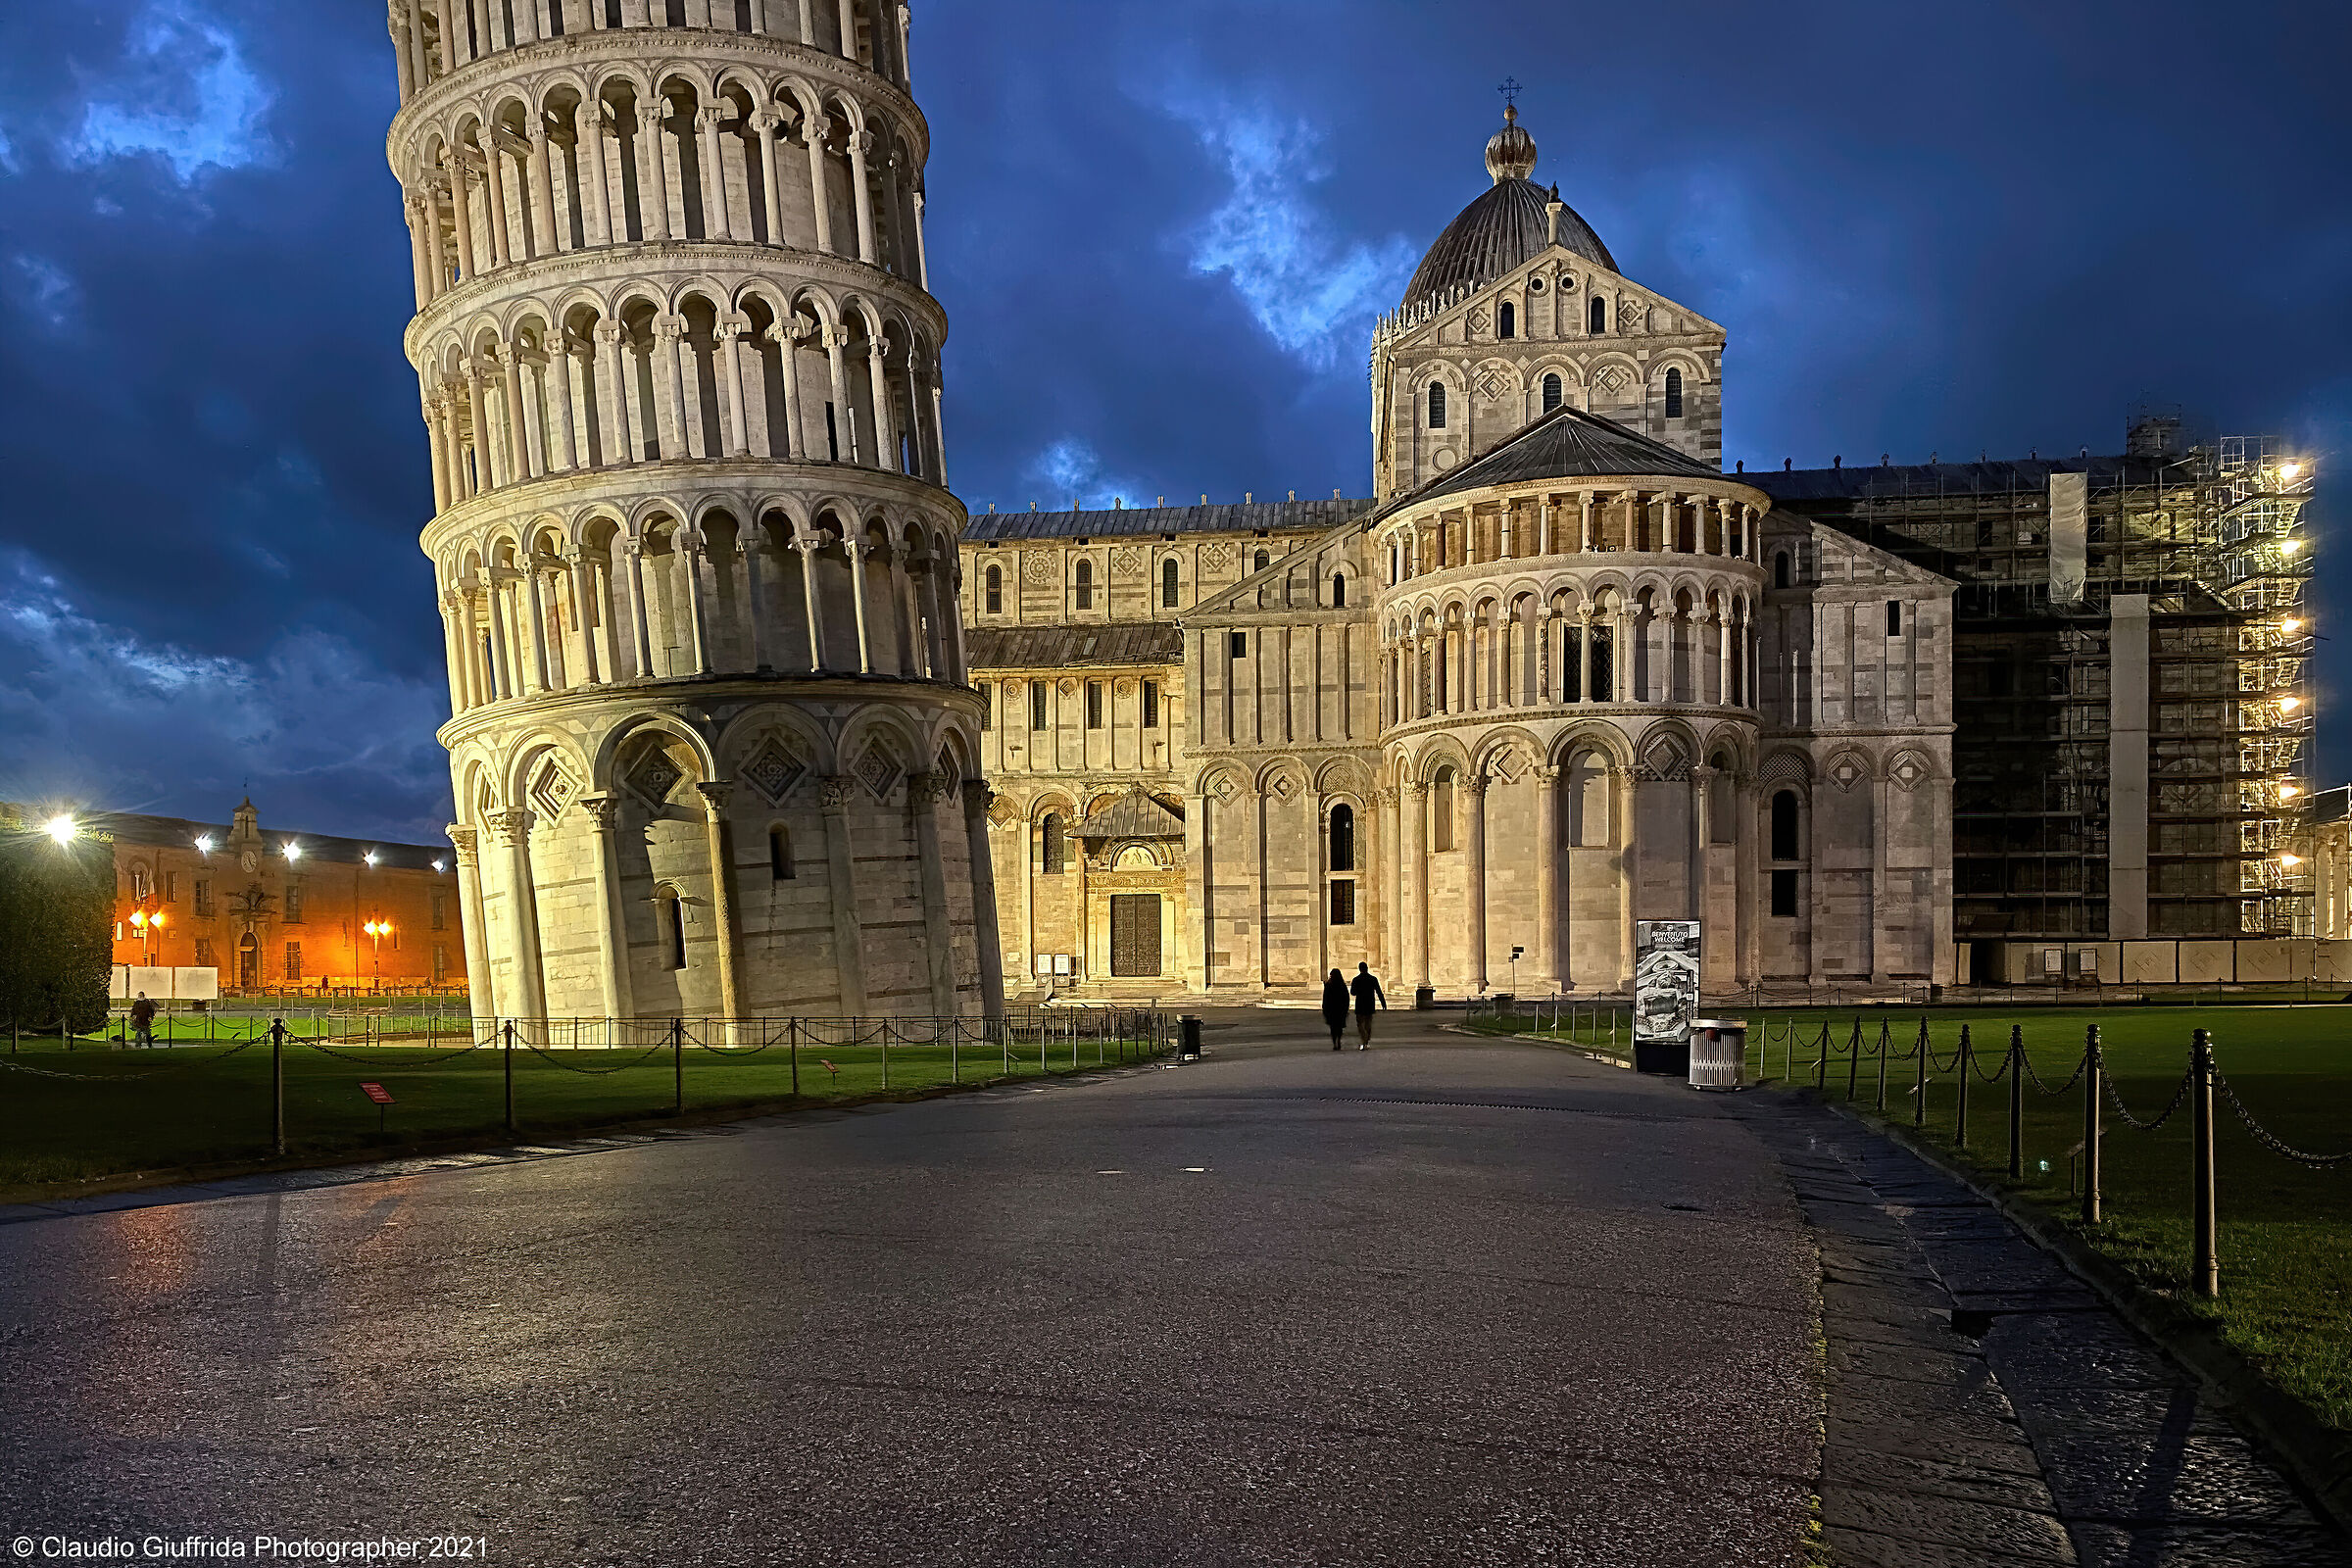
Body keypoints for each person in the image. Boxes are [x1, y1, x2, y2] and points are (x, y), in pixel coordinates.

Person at [1349, 962, 1387, 1050]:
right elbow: (1378, 991)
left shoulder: (1356, 979)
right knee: (1368, 1023)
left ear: (1360, 969)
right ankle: (1366, 1040)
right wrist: (1383, 1002)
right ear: (1367, 968)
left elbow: (1352, 992)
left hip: (1360, 1003)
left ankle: (1364, 1038)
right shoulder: (1373, 979)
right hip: (1369, 1003)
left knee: (1360, 1024)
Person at [1320, 969, 1349, 1051]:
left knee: (1333, 1027)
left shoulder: (1329, 985)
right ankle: (1338, 1041)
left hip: (1331, 1009)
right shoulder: (1342, 985)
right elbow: (1346, 998)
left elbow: (1325, 998)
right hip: (1340, 1009)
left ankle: (1334, 1043)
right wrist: (1346, 1008)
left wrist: (1324, 1008)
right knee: (1339, 1027)